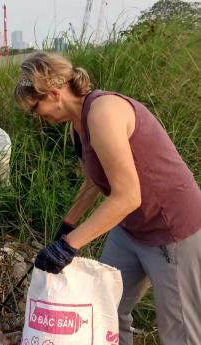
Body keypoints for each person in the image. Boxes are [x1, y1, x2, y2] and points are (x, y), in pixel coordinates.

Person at [14, 52, 201, 345]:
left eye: (35, 108)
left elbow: (127, 196)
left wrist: (69, 246)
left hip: (171, 229)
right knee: (107, 309)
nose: (37, 116)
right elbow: (94, 180)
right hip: (130, 229)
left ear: (53, 93)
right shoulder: (78, 125)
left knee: (181, 331)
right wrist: (68, 225)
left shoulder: (104, 112)